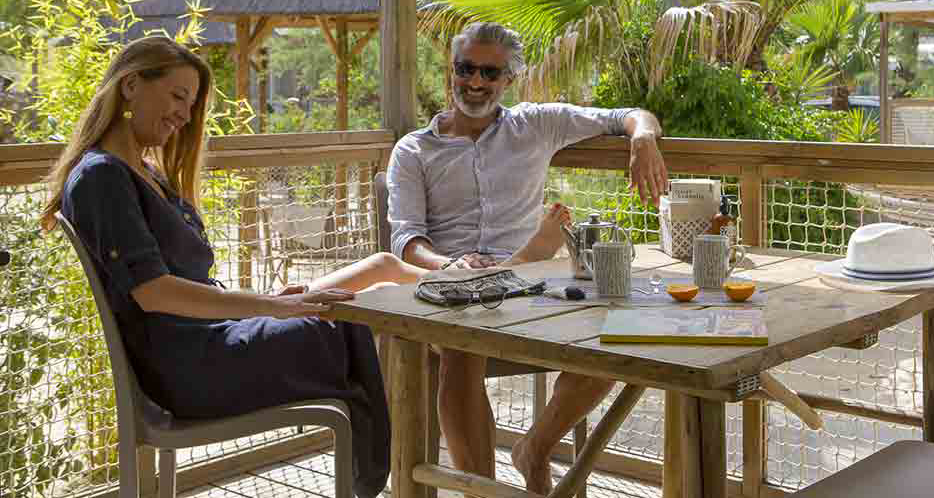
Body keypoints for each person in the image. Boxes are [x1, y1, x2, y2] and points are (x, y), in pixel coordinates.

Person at [41, 37, 574, 498]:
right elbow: (154, 293)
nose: (184, 114)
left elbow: (179, 284)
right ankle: (389, 472)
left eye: (190, 103)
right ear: (131, 85)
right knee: (347, 326)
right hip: (187, 368)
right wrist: (272, 305)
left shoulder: (144, 172)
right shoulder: (103, 177)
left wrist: (274, 303)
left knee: (345, 310)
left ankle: (392, 467)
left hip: (202, 343)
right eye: (177, 96)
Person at [386, 21, 669, 493]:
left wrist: (643, 138)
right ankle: (483, 491)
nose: (476, 82)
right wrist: (447, 266)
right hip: (452, 286)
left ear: (508, 80)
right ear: (451, 70)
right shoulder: (414, 150)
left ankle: (534, 448)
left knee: (617, 334)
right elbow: (408, 241)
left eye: (490, 73)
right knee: (461, 345)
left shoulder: (536, 123)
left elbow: (629, 113)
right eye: (466, 69)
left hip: (530, 283)